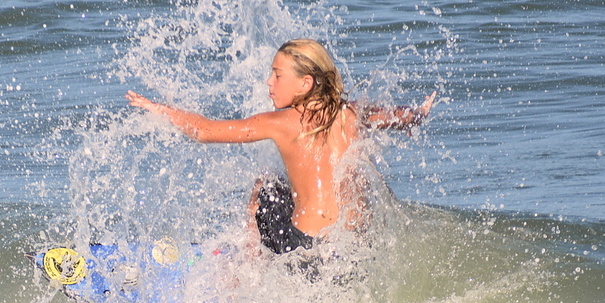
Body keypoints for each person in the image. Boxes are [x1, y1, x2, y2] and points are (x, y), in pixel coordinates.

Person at [127, 38, 436, 255]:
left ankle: (245, 275)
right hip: (347, 250)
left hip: (303, 251)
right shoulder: (352, 113)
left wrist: (163, 110)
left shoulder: (283, 122)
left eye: (277, 75)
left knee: (267, 185)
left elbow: (206, 131)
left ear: (305, 83)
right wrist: (417, 115)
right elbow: (397, 117)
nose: (269, 83)